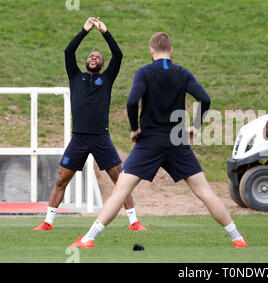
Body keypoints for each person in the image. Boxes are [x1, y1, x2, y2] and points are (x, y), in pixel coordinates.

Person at [70, 32, 247, 248]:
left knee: (120, 192)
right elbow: (205, 99)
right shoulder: (182, 73)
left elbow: (132, 101)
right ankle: (237, 238)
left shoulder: (145, 73)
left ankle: (89, 239)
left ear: (151, 50)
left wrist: (134, 129)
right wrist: (196, 126)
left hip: (149, 142)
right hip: (177, 141)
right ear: (171, 50)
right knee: (205, 192)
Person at [34, 18, 146, 232]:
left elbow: (118, 54)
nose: (93, 58)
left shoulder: (107, 79)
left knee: (121, 180)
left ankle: (134, 222)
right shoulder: (75, 76)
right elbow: (69, 52)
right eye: (90, 56)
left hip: (101, 138)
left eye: (97, 57)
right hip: (79, 138)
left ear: (102, 65)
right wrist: (84, 31)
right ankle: (48, 222)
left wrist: (105, 31)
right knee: (61, 179)